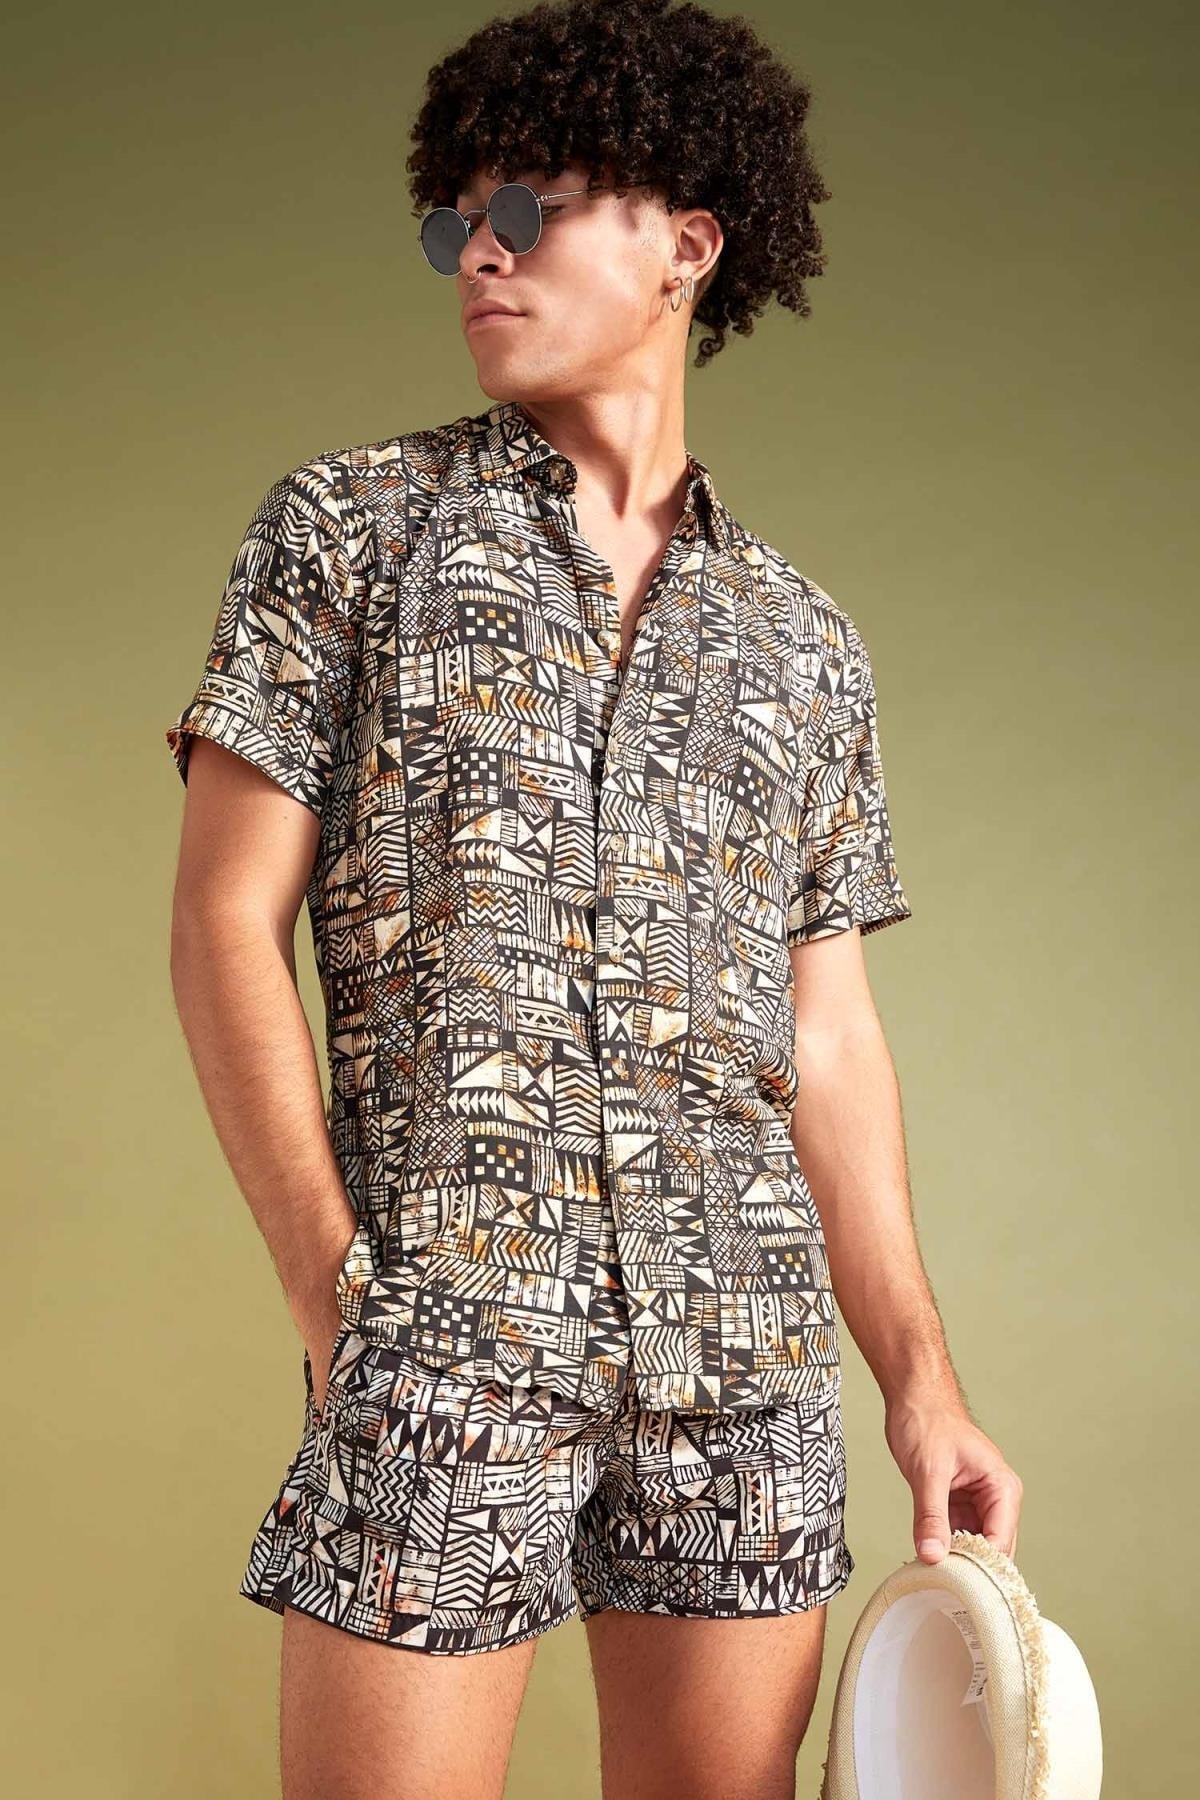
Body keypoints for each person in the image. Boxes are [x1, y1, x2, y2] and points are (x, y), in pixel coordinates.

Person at [164, 2, 1022, 1796]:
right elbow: (225, 926)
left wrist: (920, 1381)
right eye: (455, 220)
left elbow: (830, 1040)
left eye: (531, 208)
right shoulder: (349, 535)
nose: (480, 252)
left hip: (746, 1364)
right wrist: (336, 1294)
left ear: (688, 244)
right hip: (444, 1332)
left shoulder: (804, 644)